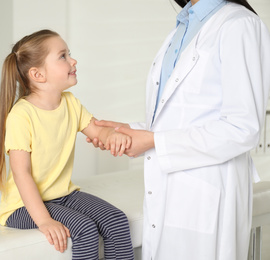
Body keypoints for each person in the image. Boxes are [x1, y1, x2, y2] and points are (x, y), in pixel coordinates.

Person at [87, 0, 270, 259]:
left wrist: (154, 141)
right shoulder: (184, 25)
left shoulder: (239, 24)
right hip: (170, 189)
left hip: (207, 194)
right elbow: (178, 117)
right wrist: (132, 131)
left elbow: (242, 128)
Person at [0, 29, 134, 260]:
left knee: (116, 221)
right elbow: (22, 174)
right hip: (22, 206)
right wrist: (44, 220)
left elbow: (98, 130)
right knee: (85, 229)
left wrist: (113, 135)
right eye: (63, 56)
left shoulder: (71, 104)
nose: (73, 60)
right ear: (38, 74)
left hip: (63, 195)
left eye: (70, 54)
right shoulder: (21, 115)